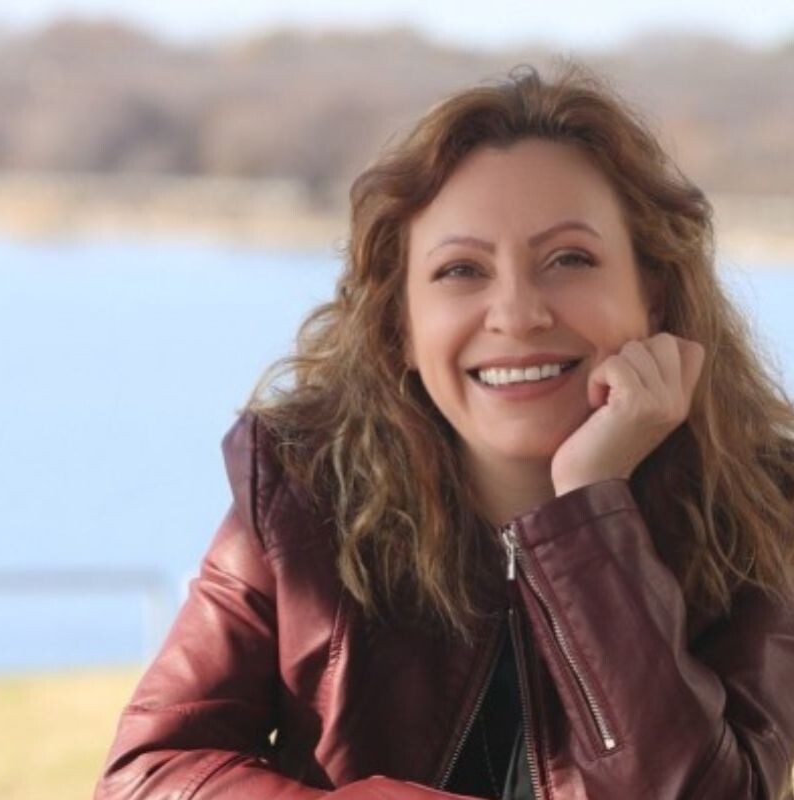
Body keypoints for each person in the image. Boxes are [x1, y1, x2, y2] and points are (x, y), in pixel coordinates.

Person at [94, 64, 794, 800]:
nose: (518, 314)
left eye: (569, 259)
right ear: (400, 325)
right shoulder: (301, 488)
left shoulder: (757, 505)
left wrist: (589, 508)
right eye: (461, 269)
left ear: (654, 295)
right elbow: (147, 774)